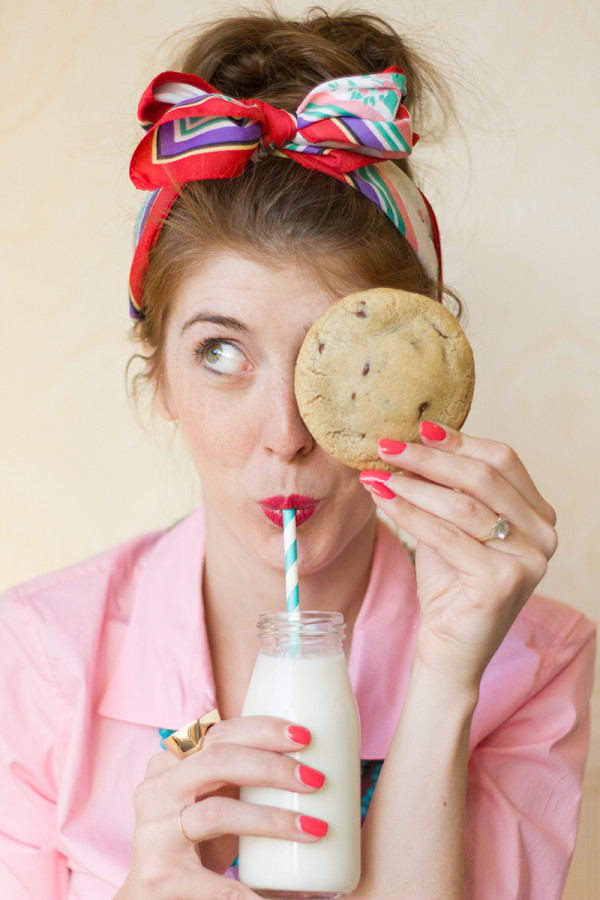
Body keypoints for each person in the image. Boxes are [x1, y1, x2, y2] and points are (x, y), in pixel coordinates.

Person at [0, 9, 595, 900]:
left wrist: (443, 680)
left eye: (338, 366)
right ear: (158, 375)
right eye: (221, 353)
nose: (285, 433)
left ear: (414, 373)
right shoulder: (36, 659)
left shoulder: (532, 664)